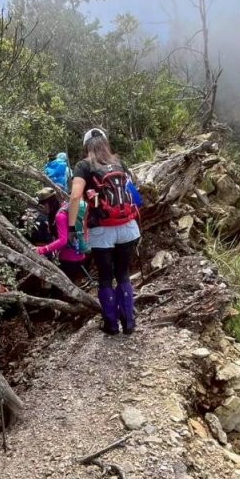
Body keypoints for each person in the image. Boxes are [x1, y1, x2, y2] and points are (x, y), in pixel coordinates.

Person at [68, 127, 141, 334]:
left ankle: (111, 325)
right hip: (127, 227)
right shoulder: (119, 163)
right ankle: (129, 323)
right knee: (124, 274)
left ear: (86, 146)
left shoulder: (84, 166)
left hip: (102, 231)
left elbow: (75, 197)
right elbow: (134, 195)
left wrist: (72, 227)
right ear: (106, 143)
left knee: (106, 278)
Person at [36, 191, 89, 283]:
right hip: (80, 254)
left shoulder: (60, 215)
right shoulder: (66, 207)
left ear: (49, 203)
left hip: (69, 258)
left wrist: (42, 249)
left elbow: (63, 240)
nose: (43, 208)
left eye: (43, 205)